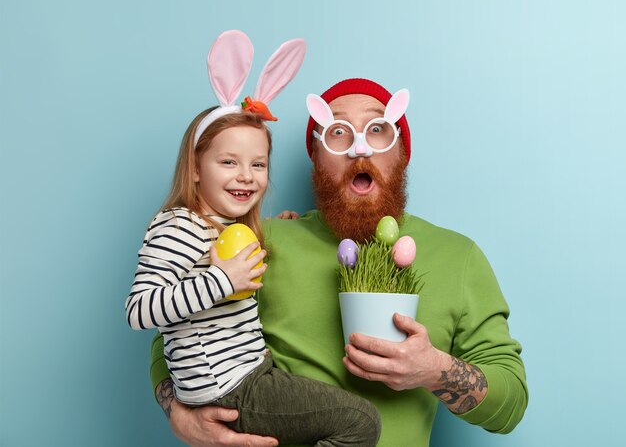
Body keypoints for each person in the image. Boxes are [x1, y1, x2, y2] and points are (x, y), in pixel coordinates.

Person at [150, 77, 528, 447]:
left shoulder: (458, 257)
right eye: (337, 133)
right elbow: (175, 332)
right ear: (316, 158)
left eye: (378, 130)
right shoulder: (266, 241)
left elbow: (509, 406)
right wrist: (179, 415)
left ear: (402, 153)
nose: (359, 150)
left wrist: (433, 370)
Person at [127, 36, 382, 447]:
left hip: (250, 371)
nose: (246, 175)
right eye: (229, 162)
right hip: (232, 388)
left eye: (258, 164)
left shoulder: (220, 225)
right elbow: (140, 310)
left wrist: (274, 226)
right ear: (194, 168)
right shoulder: (177, 226)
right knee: (360, 421)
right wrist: (221, 281)